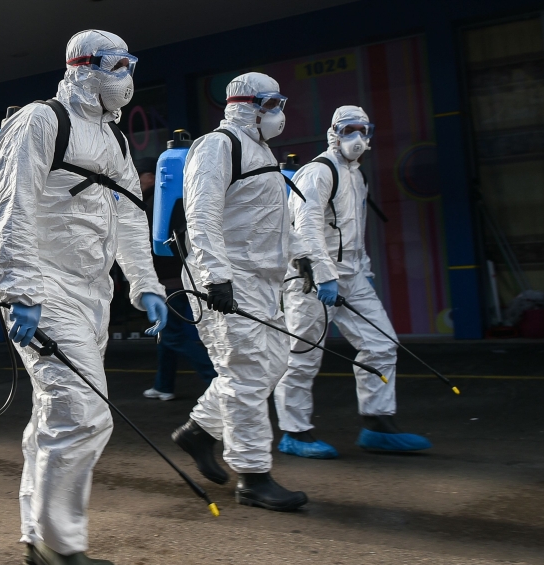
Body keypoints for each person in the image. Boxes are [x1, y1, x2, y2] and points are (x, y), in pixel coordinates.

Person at [0, 29, 167, 565]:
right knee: (83, 413)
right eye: (117, 65)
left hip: (92, 294)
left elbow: (130, 215)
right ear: (84, 68)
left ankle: (36, 537)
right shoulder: (41, 121)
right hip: (44, 290)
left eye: (130, 64)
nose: (126, 76)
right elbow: (11, 208)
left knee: (55, 415)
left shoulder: (112, 137)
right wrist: (21, 291)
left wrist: (145, 283)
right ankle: (63, 546)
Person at [171, 72, 313, 512]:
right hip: (228, 278)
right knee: (247, 374)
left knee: (273, 363)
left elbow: (271, 218)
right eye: (271, 104)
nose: (279, 113)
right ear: (247, 106)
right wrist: (216, 277)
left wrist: (301, 255)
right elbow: (201, 215)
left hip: (263, 281)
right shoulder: (218, 146)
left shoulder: (261, 151)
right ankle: (253, 476)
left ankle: (198, 431)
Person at [273, 106, 432, 458]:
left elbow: (355, 234)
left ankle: (378, 424)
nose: (357, 138)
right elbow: (306, 229)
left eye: (363, 129)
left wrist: (364, 274)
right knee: (302, 355)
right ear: (333, 133)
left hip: (353, 276)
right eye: (348, 130)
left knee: (381, 344)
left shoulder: (357, 176)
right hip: (311, 280)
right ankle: (295, 432)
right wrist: (324, 275)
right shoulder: (317, 172)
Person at [135, 156, 217, 401]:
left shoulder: (154, 207)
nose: (136, 182)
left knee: (173, 336)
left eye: (139, 177)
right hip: (175, 280)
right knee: (166, 335)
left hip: (168, 283)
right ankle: (164, 385)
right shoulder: (169, 202)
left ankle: (216, 380)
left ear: (152, 177)